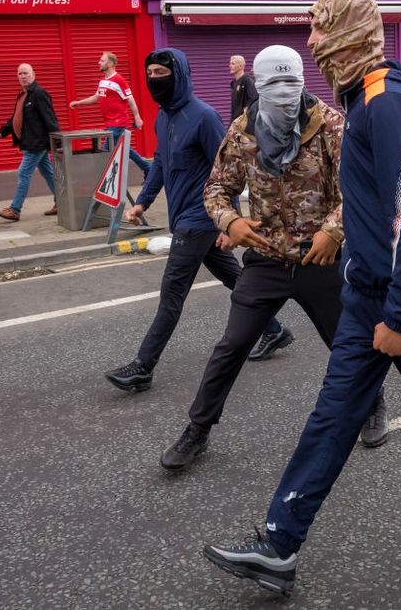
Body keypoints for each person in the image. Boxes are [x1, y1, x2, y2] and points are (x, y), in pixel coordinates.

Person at [203, 0, 401, 596]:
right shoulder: (360, 102)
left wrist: (397, 314)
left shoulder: (385, 102)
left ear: (354, 38)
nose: (313, 47)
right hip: (365, 291)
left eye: (323, 33)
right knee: (332, 417)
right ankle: (280, 544)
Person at [160, 45, 389, 472]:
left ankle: (373, 403)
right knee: (230, 347)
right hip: (265, 259)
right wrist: (230, 223)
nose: (283, 94)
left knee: (348, 344)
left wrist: (332, 232)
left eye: (291, 83)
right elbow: (215, 189)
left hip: (320, 259)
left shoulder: (332, 126)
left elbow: (361, 188)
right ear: (257, 88)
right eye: (273, 85)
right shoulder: (243, 131)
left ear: (303, 81)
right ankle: (198, 429)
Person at [104, 48, 290, 393]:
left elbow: (228, 171)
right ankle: (275, 330)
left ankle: (143, 366)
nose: (154, 80)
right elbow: (159, 163)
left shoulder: (203, 117)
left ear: (180, 75)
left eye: (162, 73)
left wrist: (229, 221)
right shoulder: (163, 116)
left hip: (200, 217)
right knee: (235, 279)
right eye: (151, 74)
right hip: (183, 218)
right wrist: (142, 202)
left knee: (171, 293)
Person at [0, 63, 60, 221]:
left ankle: (15, 209)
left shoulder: (39, 93)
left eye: (25, 73)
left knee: (23, 173)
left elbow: (51, 120)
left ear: (33, 74)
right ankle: (62, 202)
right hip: (31, 142)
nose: (22, 76)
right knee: (48, 173)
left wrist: (58, 144)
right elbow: (16, 117)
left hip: (36, 143)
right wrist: (2, 132)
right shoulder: (23, 94)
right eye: (20, 74)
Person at [69, 52, 151, 177]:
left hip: (118, 123)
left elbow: (130, 99)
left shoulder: (119, 80)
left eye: (102, 60)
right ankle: (148, 168)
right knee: (125, 149)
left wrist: (137, 117)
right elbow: (97, 97)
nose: (99, 63)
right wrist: (79, 103)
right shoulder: (103, 81)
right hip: (109, 123)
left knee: (104, 152)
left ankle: (101, 181)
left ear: (111, 63)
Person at [229, 55, 258, 124]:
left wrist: (244, 116)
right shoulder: (233, 83)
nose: (230, 66)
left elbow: (253, 100)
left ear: (241, 66)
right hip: (235, 121)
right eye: (230, 63)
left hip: (243, 123)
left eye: (233, 64)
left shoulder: (247, 80)